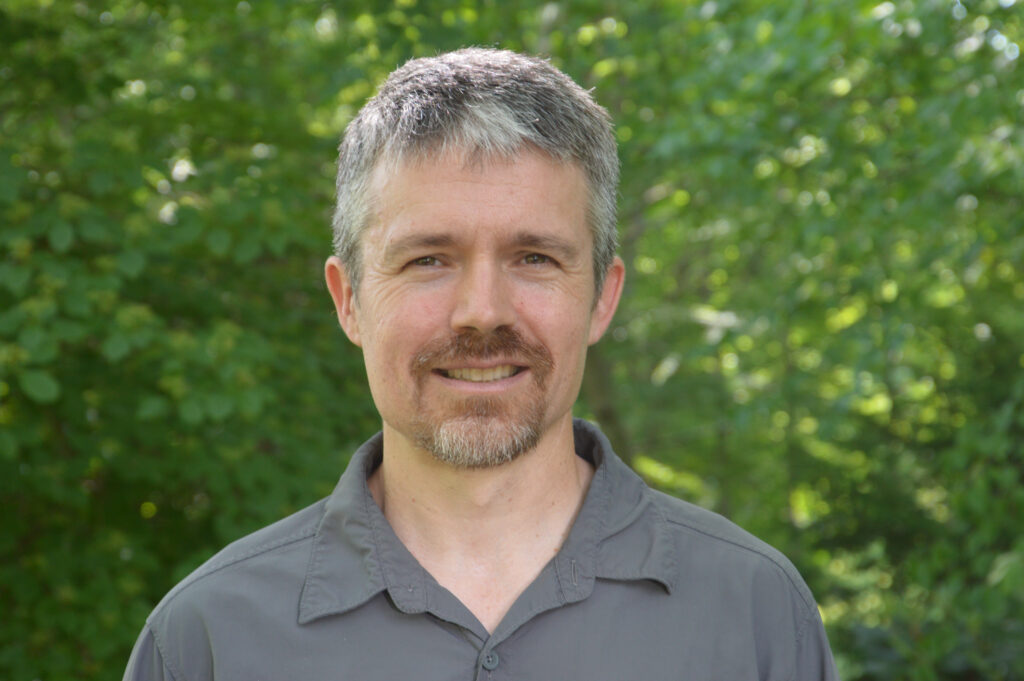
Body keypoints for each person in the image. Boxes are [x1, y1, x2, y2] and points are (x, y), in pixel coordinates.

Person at [124, 47, 839, 680]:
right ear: (350, 301)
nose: (482, 310)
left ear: (601, 297)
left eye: (534, 257)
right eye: (429, 259)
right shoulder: (207, 641)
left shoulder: (754, 614)